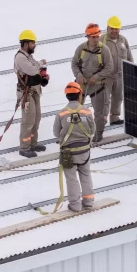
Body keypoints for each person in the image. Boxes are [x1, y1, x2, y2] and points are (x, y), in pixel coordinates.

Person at [53, 82, 96, 212]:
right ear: (79, 95)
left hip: (68, 153)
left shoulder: (61, 114)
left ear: (67, 96)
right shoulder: (87, 111)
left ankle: (75, 205)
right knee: (86, 175)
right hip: (84, 151)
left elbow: (56, 133)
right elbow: (93, 129)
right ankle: (88, 201)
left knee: (71, 179)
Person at [71, 23, 114, 143]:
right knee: (75, 111)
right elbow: (74, 63)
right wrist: (79, 75)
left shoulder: (104, 50)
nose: (96, 39)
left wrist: (97, 77)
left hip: (97, 87)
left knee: (99, 113)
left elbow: (109, 67)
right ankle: (74, 133)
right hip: (82, 86)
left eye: (97, 36)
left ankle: (99, 133)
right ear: (88, 37)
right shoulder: (81, 49)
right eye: (93, 37)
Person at [13, 29, 49, 158]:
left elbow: (36, 69)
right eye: (32, 43)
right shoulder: (20, 57)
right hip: (26, 93)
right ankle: (24, 147)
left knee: (36, 118)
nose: (34, 46)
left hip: (34, 90)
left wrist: (43, 77)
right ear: (26, 43)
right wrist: (40, 64)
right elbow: (33, 70)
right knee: (28, 120)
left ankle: (33, 143)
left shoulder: (28, 56)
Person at [100, 15, 134, 126]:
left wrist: (131, 71)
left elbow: (129, 56)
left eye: (116, 28)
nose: (114, 31)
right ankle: (101, 121)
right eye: (112, 28)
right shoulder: (101, 40)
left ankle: (114, 117)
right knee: (104, 100)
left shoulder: (123, 39)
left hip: (120, 75)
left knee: (118, 97)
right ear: (107, 28)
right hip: (106, 77)